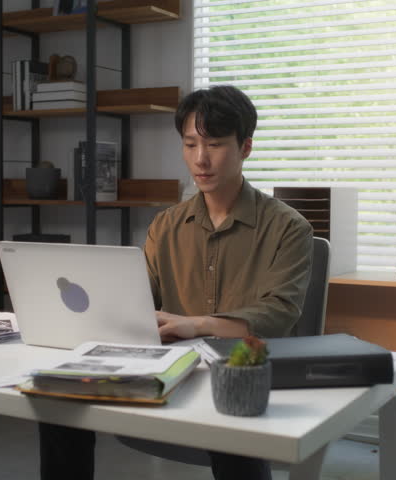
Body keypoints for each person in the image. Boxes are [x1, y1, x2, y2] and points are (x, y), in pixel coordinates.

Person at [38, 85, 314, 480]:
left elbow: (277, 315)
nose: (200, 159)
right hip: (169, 370)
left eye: (215, 144)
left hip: (239, 376)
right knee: (58, 401)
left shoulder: (288, 228)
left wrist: (196, 323)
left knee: (231, 425)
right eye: (189, 144)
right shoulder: (166, 226)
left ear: (246, 148)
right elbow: (138, 301)